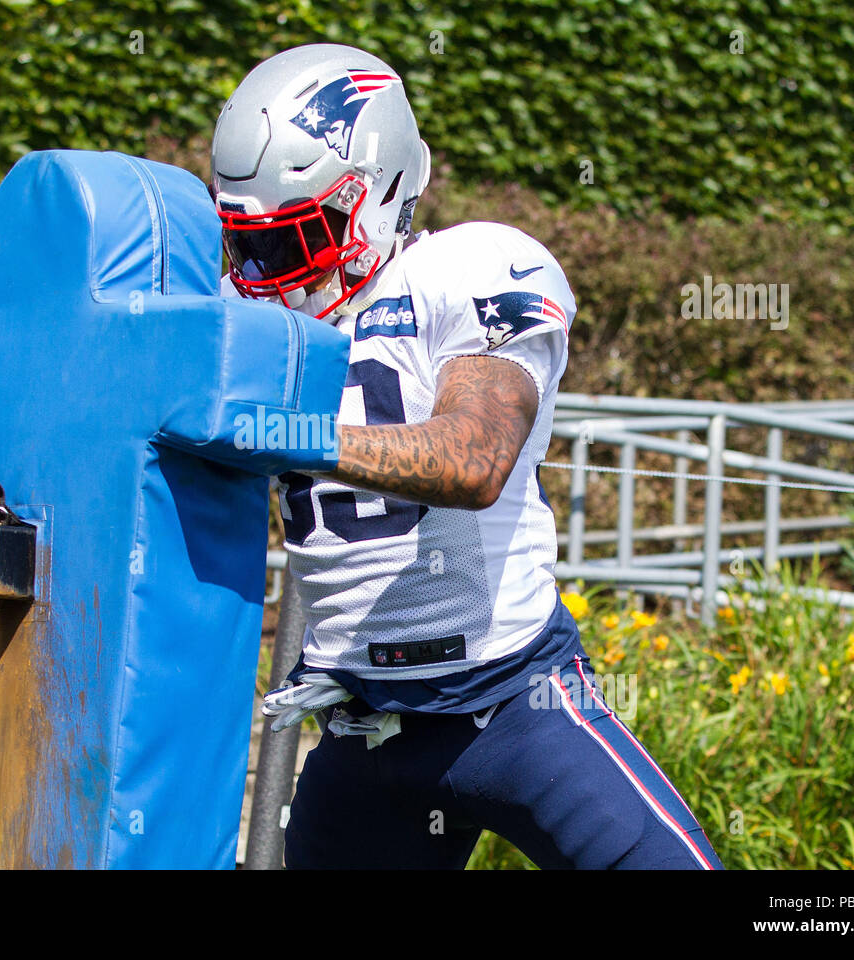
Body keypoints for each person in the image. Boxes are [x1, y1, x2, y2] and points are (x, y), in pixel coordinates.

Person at [212, 43, 723, 869]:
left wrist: (281, 436)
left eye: (292, 240)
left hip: (515, 708)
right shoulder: (245, 317)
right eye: (247, 243)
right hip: (362, 730)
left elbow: (474, 457)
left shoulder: (464, 268)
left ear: (373, 199)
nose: (263, 275)